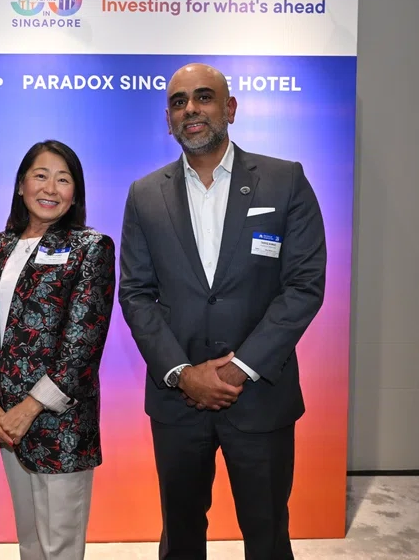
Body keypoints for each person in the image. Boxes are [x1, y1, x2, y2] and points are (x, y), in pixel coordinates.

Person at [118, 63, 327, 560]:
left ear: (229, 108)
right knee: (181, 536)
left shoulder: (285, 180)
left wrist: (237, 369)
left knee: (268, 534)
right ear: (168, 118)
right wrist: (182, 373)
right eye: (178, 101)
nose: (190, 109)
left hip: (259, 396)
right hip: (177, 401)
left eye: (204, 97)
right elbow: (136, 293)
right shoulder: (144, 194)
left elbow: (304, 286)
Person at [0, 140, 115, 560]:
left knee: (60, 547)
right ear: (20, 185)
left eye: (64, 179)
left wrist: (27, 409)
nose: (51, 187)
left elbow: (82, 343)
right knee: (29, 542)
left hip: (60, 423)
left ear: (75, 192)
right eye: (41, 175)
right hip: (5, 424)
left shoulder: (91, 247)